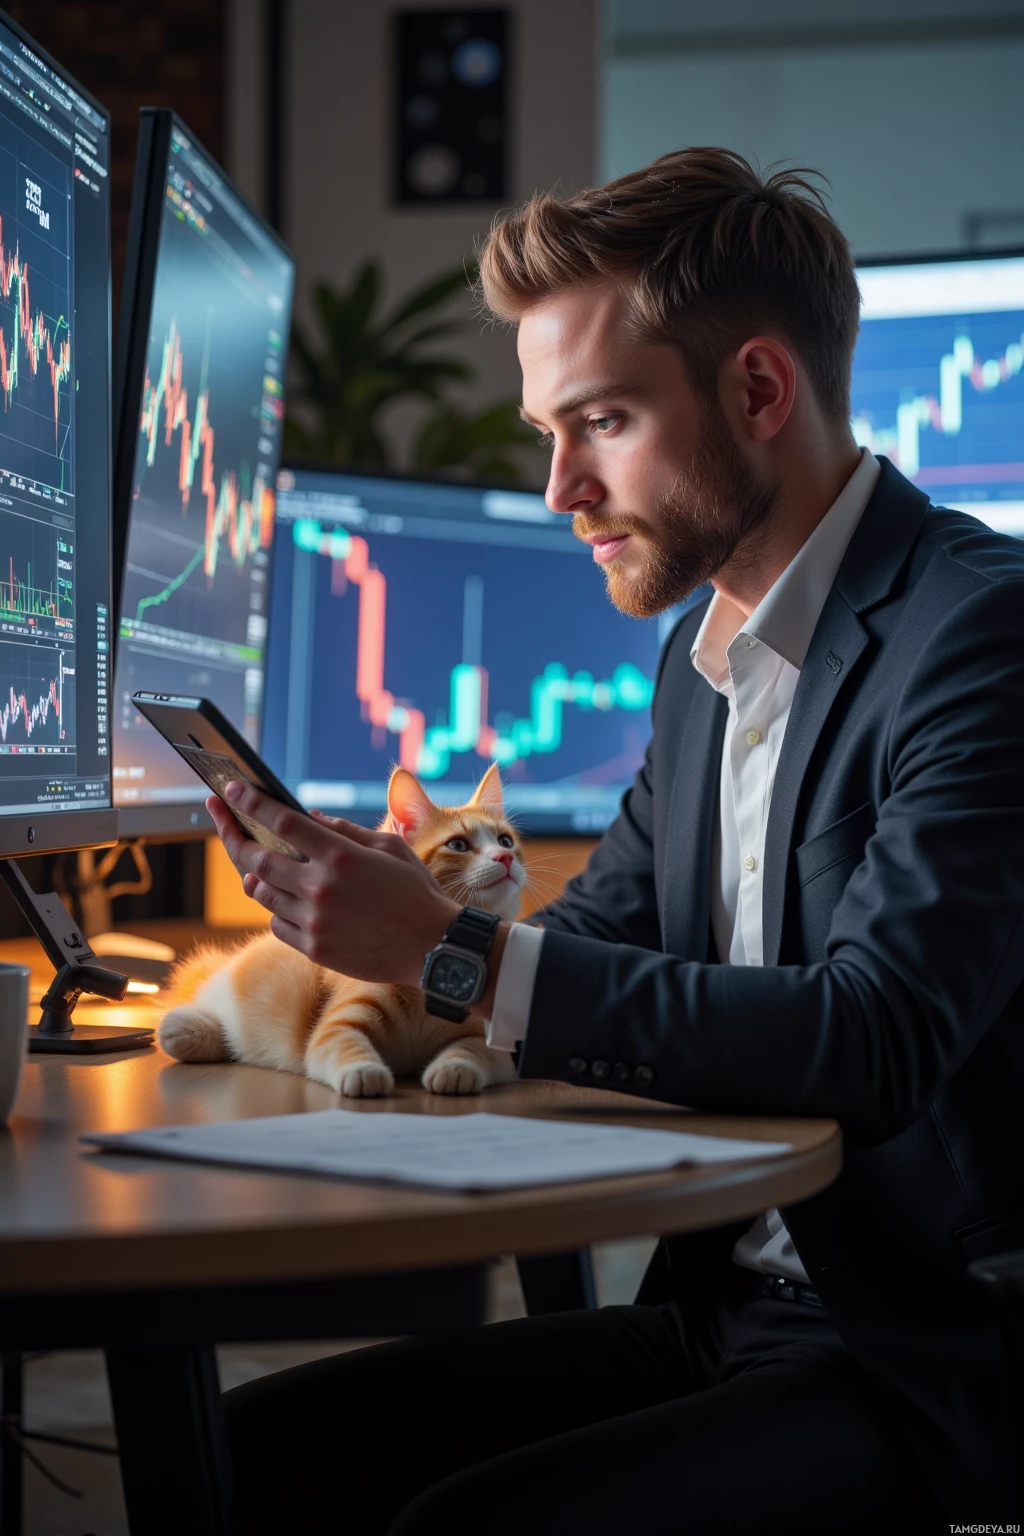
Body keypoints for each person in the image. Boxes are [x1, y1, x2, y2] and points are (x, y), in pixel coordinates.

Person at [212, 148, 1023, 1531]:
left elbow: (874, 1038)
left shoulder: (978, 633)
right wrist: (400, 907)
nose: (558, 489)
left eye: (598, 422)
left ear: (759, 391)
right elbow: (587, 946)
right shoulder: (704, 659)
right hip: (730, 1310)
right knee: (235, 1460)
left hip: (924, 1358)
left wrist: (455, 954)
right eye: (549, 432)